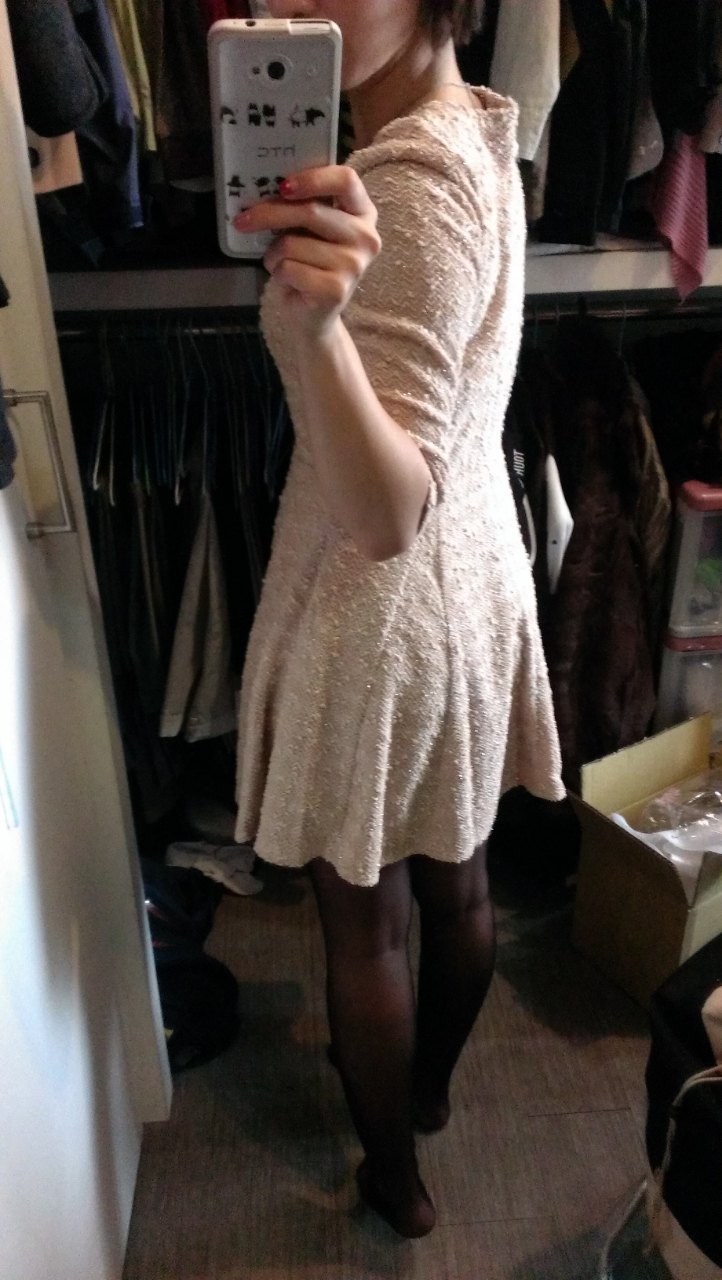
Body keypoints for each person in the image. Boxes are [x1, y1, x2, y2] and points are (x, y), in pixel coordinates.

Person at [233, 0, 565, 1239]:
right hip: (472, 574)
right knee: (458, 884)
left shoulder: (406, 187)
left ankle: (391, 1172)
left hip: (377, 608)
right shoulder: (476, 125)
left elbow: (381, 514)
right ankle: (423, 1095)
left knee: (368, 926)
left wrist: (312, 327)